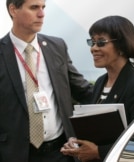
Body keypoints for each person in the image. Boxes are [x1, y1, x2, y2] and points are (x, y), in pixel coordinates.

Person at [0, 0, 93, 162]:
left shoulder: (56, 46)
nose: (42, 14)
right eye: (34, 7)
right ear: (13, 10)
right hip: (18, 155)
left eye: (43, 7)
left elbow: (83, 91)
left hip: (62, 152)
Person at [61, 15, 134, 162]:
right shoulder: (101, 82)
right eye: (92, 42)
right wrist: (78, 142)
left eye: (101, 42)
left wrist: (99, 152)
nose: (93, 48)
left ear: (122, 46)